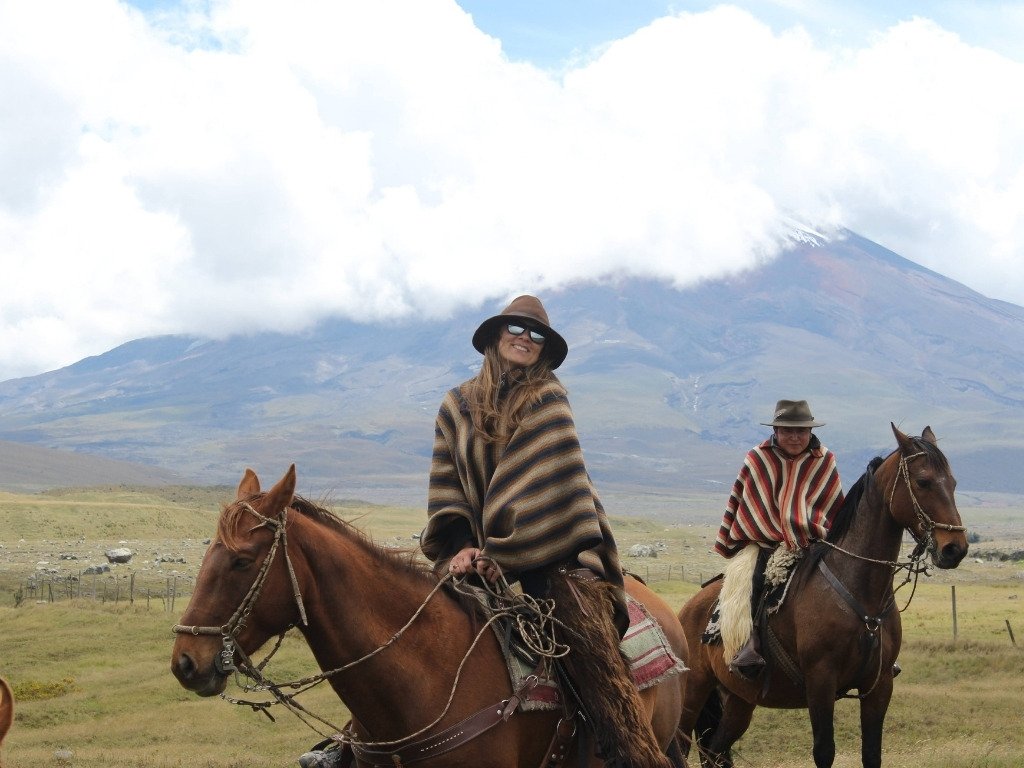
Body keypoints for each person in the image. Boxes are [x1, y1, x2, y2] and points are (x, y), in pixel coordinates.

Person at [420, 295, 670, 768]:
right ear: (496, 337)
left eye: (536, 335)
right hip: (473, 559)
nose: (525, 339)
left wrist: (503, 555)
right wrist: (463, 547)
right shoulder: (455, 406)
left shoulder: (548, 400)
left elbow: (540, 487)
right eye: (516, 329)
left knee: (587, 642)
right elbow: (448, 486)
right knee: (407, 635)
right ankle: (354, 746)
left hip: (553, 555)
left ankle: (628, 750)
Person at [714, 399, 844, 678]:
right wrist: (770, 531)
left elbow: (832, 505)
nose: (795, 437)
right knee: (750, 578)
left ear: (810, 431)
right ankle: (747, 643)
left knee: (850, 579)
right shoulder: (758, 457)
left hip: (813, 540)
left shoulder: (824, 459)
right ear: (775, 429)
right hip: (764, 540)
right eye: (787, 431)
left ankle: (871, 645)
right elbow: (745, 498)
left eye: (801, 431)